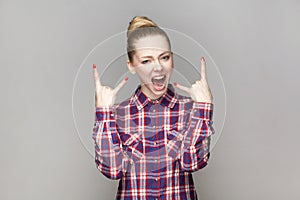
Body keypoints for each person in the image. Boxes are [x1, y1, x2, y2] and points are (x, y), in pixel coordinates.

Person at [92, 16, 215, 200]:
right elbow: (113, 170)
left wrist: (204, 108)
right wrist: (103, 114)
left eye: (164, 57)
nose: (158, 68)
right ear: (131, 66)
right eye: (146, 61)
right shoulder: (118, 114)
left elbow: (193, 163)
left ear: (172, 59)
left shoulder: (191, 110)